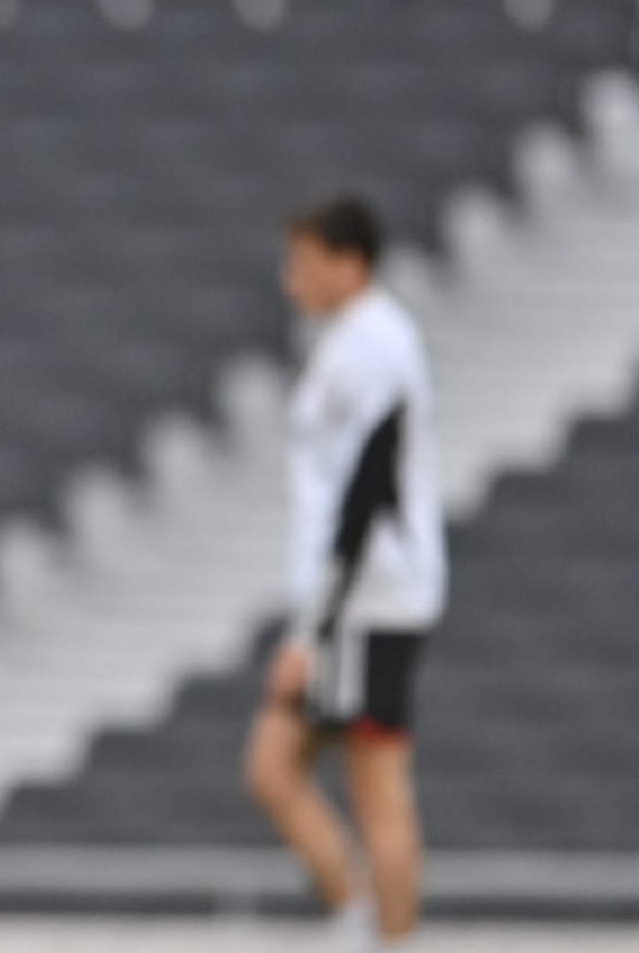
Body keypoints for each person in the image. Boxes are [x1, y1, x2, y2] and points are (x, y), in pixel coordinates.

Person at [245, 196, 445, 953]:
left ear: (347, 261)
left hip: (369, 602)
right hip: (361, 600)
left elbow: (366, 495)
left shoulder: (374, 347)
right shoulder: (356, 342)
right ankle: (362, 922)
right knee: (276, 766)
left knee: (376, 786)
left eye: (304, 263)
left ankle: (382, 936)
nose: (291, 280)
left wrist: (315, 628)